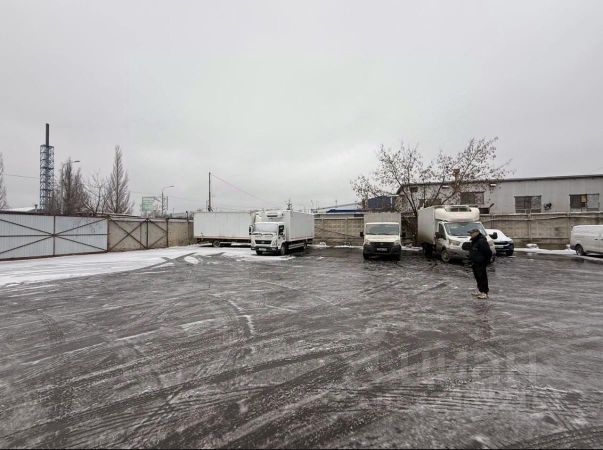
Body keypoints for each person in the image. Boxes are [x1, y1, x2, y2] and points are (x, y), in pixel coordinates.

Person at [468, 228, 493, 299]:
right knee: (478, 277)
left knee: (482, 277)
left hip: (480, 262)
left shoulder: (481, 241)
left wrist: (485, 261)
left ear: (477, 233)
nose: (470, 234)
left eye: (471, 233)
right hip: (475, 262)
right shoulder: (475, 240)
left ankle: (485, 292)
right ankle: (480, 290)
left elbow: (488, 252)